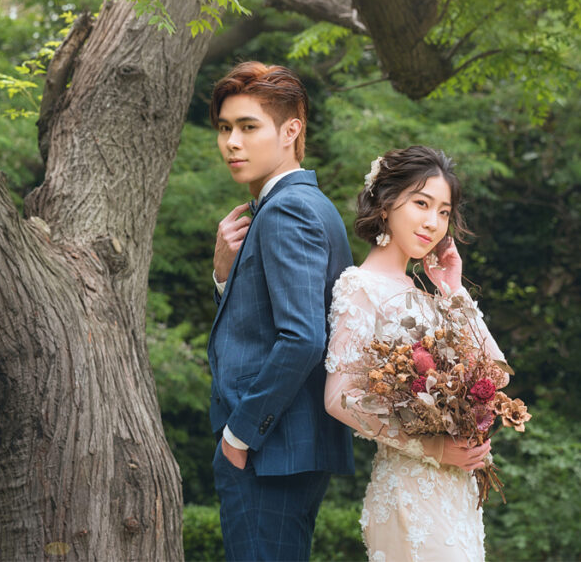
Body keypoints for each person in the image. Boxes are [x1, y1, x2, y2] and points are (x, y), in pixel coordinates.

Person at [324, 145, 509, 562]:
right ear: (385, 205)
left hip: (455, 491)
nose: (433, 223)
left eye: (444, 212)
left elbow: (497, 375)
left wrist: (453, 289)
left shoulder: (427, 296)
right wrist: (433, 449)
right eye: (421, 204)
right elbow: (338, 397)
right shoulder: (360, 287)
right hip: (410, 489)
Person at [206, 61, 354, 561]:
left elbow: (303, 338)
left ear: (291, 131)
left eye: (249, 127)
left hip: (268, 450)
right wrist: (223, 275)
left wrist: (240, 435)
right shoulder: (304, 204)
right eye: (225, 128)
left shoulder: (288, 209)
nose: (232, 143)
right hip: (283, 449)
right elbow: (261, 325)